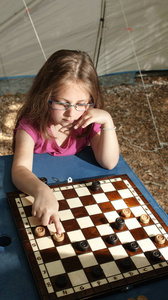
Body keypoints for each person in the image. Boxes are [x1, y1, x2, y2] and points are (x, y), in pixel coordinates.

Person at [12, 49, 120, 235]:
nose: (72, 113)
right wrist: (40, 190)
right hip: (39, 196)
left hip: (77, 200)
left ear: (91, 100)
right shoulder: (30, 126)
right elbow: (19, 170)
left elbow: (109, 163)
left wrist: (107, 121)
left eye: (81, 103)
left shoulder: (86, 122)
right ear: (46, 97)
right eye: (62, 103)